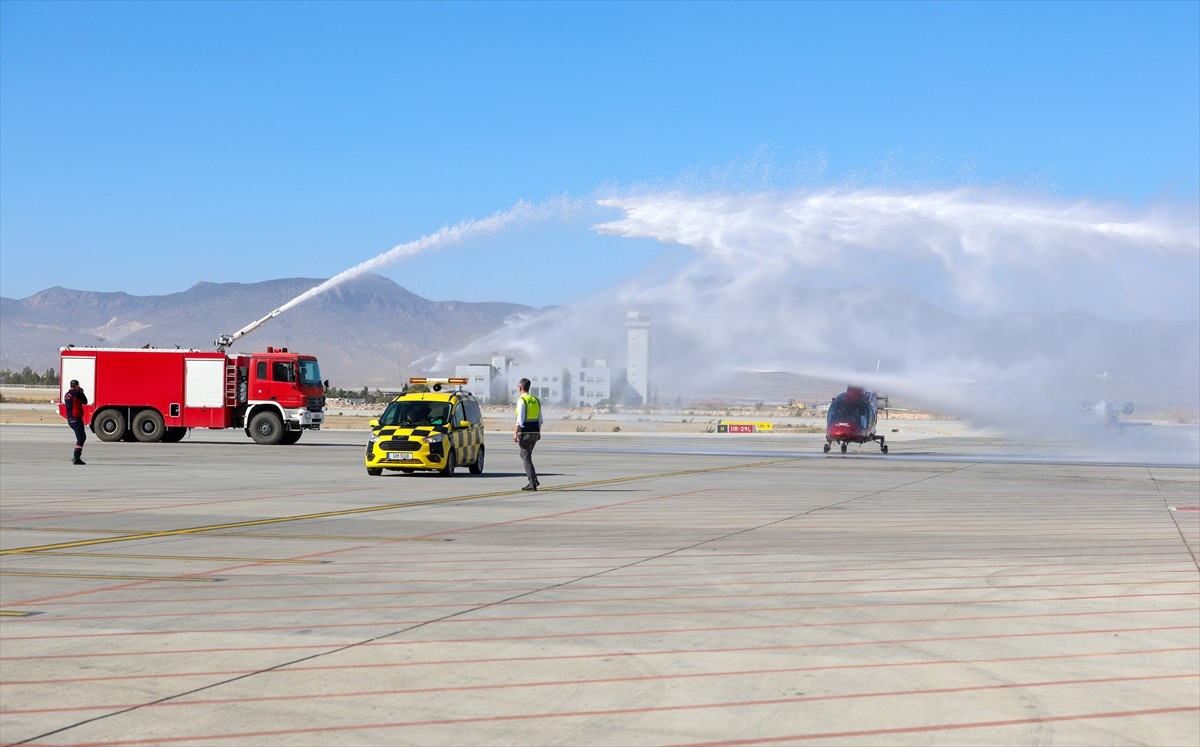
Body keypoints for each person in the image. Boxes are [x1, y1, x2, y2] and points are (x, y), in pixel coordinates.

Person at [513, 378, 542, 490]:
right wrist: (539, 432)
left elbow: (520, 419)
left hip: (525, 432)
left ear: (520, 388)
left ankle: (532, 483)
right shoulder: (535, 400)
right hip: (534, 432)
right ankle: (533, 478)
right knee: (525, 455)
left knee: (526, 457)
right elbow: (540, 419)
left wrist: (515, 433)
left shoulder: (522, 400)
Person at [63, 379, 88, 465]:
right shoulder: (77, 393)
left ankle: (76, 456)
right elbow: (85, 401)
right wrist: (81, 392)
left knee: (82, 437)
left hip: (70, 419)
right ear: (76, 385)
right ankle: (76, 457)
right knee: (81, 438)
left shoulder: (67, 394)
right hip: (76, 418)